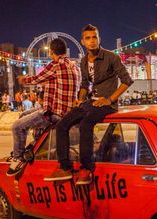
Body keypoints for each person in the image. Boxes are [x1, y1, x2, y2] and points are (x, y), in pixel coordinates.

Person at [44, 24, 133, 185]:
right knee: (62, 125)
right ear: (83, 41)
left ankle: (86, 168)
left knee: (86, 124)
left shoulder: (112, 57)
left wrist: (110, 99)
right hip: (90, 102)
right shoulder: (84, 61)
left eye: (95, 37)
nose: (92, 41)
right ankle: (65, 167)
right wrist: (80, 98)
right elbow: (85, 84)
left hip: (107, 104)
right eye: (88, 38)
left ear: (99, 39)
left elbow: (127, 81)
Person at [6, 38, 80, 176]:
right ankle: (31, 148)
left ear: (52, 52)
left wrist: (24, 80)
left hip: (54, 113)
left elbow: (36, 79)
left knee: (17, 126)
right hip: (64, 110)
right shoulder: (74, 66)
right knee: (23, 115)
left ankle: (18, 158)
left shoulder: (56, 65)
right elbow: (56, 82)